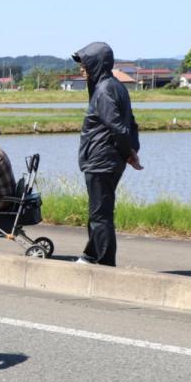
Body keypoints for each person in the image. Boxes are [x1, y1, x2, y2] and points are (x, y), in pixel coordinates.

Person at [73, 41, 141, 267]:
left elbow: (119, 127)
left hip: (102, 159)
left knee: (100, 214)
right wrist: (131, 151)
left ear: (97, 64)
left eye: (85, 64)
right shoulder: (114, 86)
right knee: (99, 211)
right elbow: (130, 123)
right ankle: (91, 255)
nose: (82, 69)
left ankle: (104, 263)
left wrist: (129, 152)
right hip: (107, 158)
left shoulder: (104, 90)